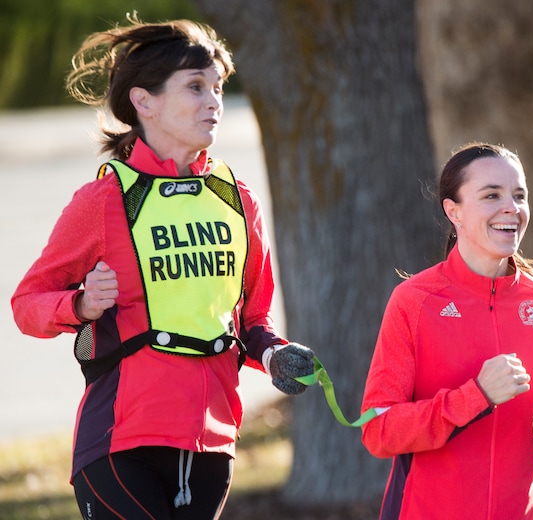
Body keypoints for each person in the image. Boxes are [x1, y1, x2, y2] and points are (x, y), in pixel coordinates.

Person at [11, 16, 314, 520]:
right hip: (121, 441)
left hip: (213, 443)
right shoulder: (103, 200)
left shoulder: (239, 201)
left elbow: (252, 322)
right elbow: (26, 306)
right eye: (195, 87)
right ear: (143, 101)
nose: (213, 101)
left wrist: (276, 356)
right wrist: (80, 304)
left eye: (217, 87)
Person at [360, 142, 533, 520]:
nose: (511, 208)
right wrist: (475, 396)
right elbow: (378, 430)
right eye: (491, 195)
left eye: (519, 195)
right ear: (454, 212)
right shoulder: (414, 302)